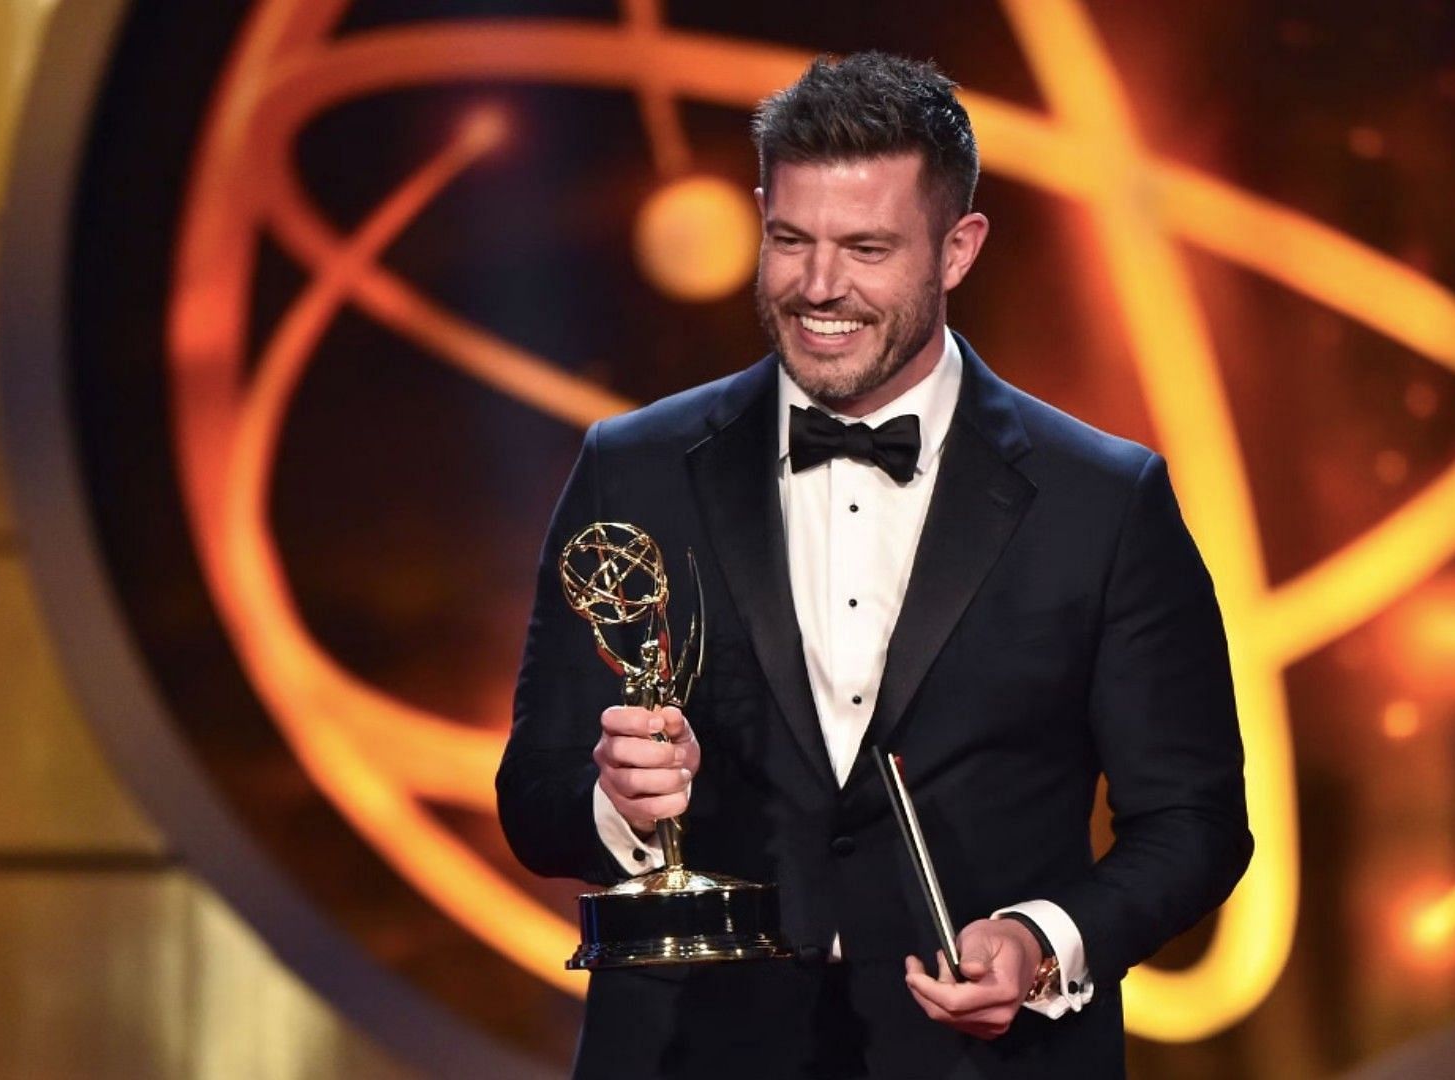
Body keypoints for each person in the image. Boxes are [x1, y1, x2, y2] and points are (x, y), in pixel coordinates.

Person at [498, 52, 1251, 1079]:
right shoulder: (634, 470)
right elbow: (532, 797)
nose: (818, 288)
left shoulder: (1103, 501)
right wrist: (616, 806)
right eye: (790, 240)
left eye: (866, 247)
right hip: (692, 1053)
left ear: (957, 248)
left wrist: (1042, 943)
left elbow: (1194, 825)